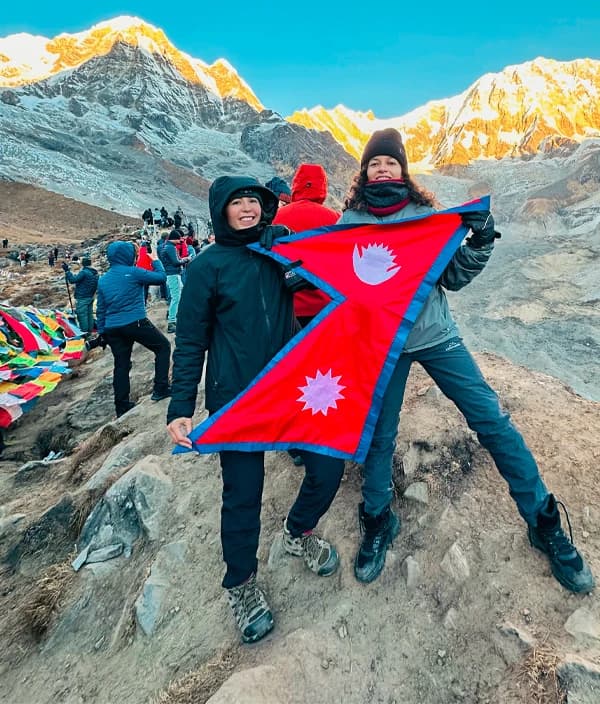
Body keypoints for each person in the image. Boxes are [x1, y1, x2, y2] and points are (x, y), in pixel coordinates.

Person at [338, 127, 595, 594]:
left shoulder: (427, 218)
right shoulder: (348, 224)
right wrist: (290, 260)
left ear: (402, 170)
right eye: (375, 163)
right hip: (383, 346)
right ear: (365, 172)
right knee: (378, 436)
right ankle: (377, 518)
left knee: (492, 420)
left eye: (391, 162)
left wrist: (479, 241)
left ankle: (543, 520)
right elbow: (338, 283)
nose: (383, 169)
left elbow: (452, 276)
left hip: (435, 335)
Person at [167, 176, 344, 644]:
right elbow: (191, 340)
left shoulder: (279, 247)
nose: (247, 208)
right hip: (238, 397)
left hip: (293, 387)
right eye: (237, 202)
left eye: (254, 201)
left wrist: (293, 253)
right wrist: (181, 405)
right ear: (220, 211)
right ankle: (241, 584)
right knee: (243, 493)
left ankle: (298, 532)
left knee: (328, 465)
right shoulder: (206, 267)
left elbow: (333, 271)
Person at [273, 162, 339, 467]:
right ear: (323, 186)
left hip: (287, 310)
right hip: (325, 310)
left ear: (296, 184)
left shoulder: (277, 218)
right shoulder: (334, 218)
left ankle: (295, 443)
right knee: (323, 374)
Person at [96, 241, 171, 417]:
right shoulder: (134, 272)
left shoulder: (103, 279)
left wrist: (102, 332)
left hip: (112, 328)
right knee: (163, 347)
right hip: (135, 322)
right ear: (128, 255)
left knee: (121, 365)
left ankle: (121, 407)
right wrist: (155, 260)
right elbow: (161, 277)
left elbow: (101, 309)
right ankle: (160, 388)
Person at [159, 229, 189, 332]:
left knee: (177, 295)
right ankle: (172, 322)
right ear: (175, 238)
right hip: (173, 275)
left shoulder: (167, 246)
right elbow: (176, 262)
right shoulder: (170, 247)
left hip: (172, 274)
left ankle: (173, 314)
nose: (181, 240)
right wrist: (186, 259)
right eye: (179, 238)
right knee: (176, 297)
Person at [62, 256, 99, 334]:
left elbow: (72, 280)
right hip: (90, 296)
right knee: (89, 314)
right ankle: (90, 331)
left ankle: (84, 333)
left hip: (82, 297)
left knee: (82, 315)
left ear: (83, 264)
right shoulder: (94, 272)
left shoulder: (84, 272)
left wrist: (67, 271)